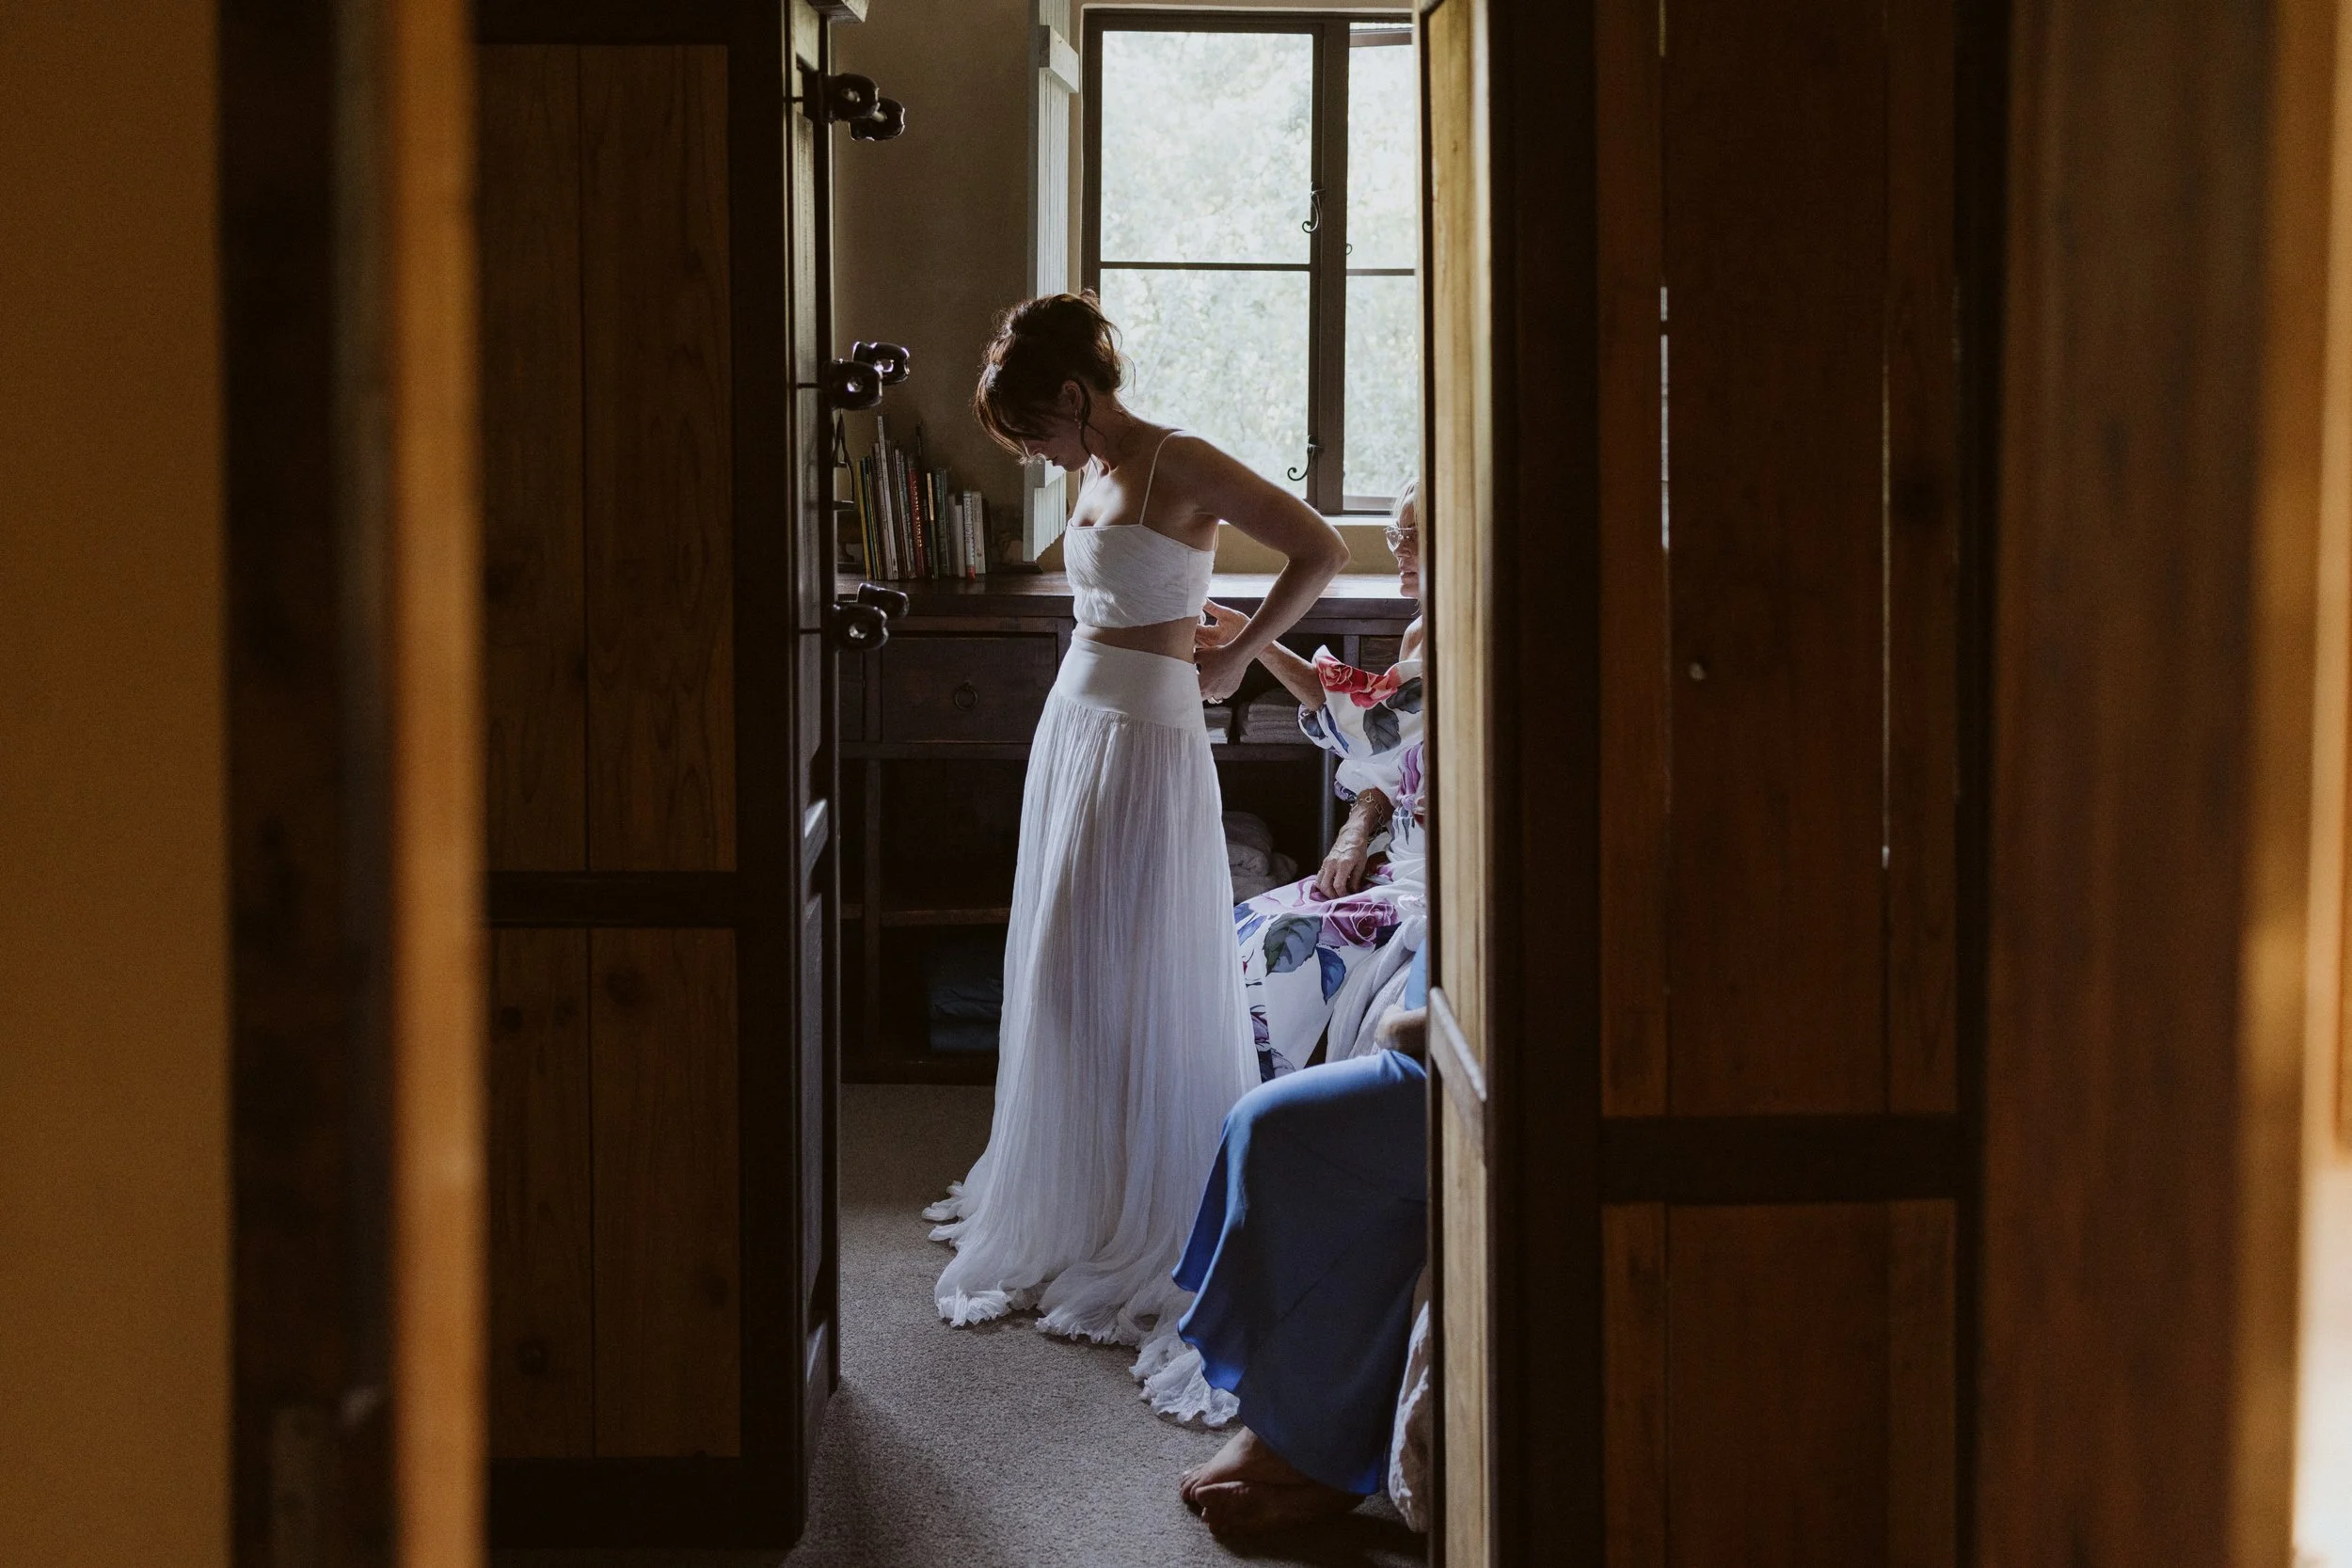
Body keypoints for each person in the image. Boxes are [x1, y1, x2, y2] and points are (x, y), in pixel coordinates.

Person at [925, 293, 1349, 1363]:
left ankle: (1142, 1199)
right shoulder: (1092, 468)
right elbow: (1116, 595)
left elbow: (1315, 548)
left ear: (1074, 395)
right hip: (1076, 718)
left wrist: (1240, 648)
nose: (1032, 453)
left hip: (1152, 731)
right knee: (1067, 963)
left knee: (1134, 957)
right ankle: (1074, 1179)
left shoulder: (1180, 458)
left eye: (1034, 430)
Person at [1167, 951, 1434, 1538]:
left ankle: (1305, 1453)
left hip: (1457, 1061)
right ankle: (1288, 1433)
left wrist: (1397, 1022)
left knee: (1271, 1130)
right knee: (1268, 1132)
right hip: (1433, 1038)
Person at [1200, 483, 1425, 1080]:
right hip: (1394, 852)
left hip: (1428, 872)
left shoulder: (1483, 636)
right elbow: (1387, 749)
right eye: (1395, 534)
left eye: (1416, 536)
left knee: (1284, 948)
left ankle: (1277, 1106)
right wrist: (1357, 829)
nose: (1401, 549)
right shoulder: (1419, 633)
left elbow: (1367, 723)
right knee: (1240, 925)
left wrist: (1254, 643)